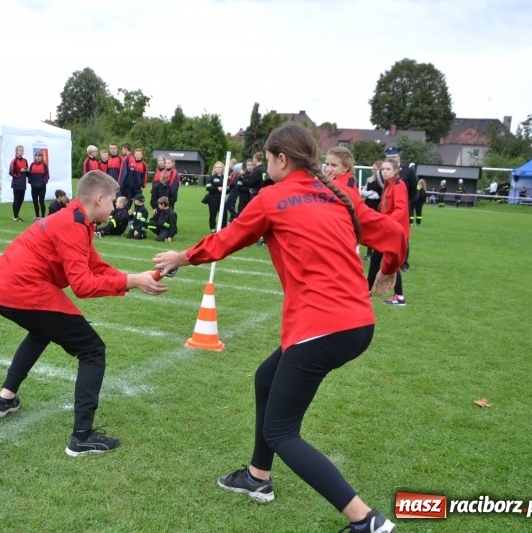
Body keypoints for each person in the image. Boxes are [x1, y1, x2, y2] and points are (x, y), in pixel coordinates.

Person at [152, 122, 406, 533]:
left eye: (268, 159)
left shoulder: (273, 198)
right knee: (266, 378)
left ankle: (367, 522)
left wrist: (182, 256)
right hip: (358, 324)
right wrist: (387, 272)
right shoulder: (339, 194)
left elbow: (227, 239)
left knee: (282, 431)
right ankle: (258, 477)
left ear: (281, 159)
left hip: (322, 327)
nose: (267, 165)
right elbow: (394, 233)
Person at [0, 170, 167, 456]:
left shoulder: (77, 219)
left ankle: (4, 399)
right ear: (99, 199)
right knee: (93, 349)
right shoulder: (72, 224)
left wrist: (134, 278)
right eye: (113, 201)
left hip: (6, 286)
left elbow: (93, 264)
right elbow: (82, 285)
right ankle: (82, 436)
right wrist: (131, 281)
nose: (116, 206)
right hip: (20, 289)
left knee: (41, 331)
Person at [366, 158, 410, 306]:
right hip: (389, 229)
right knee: (377, 260)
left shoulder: (398, 185)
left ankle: (398, 296)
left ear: (395, 171)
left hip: (393, 230)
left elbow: (400, 209)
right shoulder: (389, 185)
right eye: (383, 169)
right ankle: (368, 292)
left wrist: (385, 223)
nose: (384, 172)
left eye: (387, 169)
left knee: (388, 262)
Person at [360, 161, 383, 260]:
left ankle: (376, 252)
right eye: (372, 169)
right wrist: (370, 193)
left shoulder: (381, 182)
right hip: (368, 205)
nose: (373, 170)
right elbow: (363, 192)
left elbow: (379, 195)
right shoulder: (369, 180)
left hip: (376, 206)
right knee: (367, 230)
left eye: (375, 169)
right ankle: (369, 253)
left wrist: (373, 194)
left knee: (375, 230)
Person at [8, 145, 29, 222]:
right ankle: (15, 216)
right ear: (16, 151)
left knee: (21, 200)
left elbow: (26, 171)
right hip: (16, 183)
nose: (21, 152)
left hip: (23, 183)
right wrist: (20, 171)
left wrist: (27, 171)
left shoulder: (25, 160)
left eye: (22, 150)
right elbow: (11, 172)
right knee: (16, 200)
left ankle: (16, 215)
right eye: (20, 150)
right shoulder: (14, 161)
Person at [204, 161, 226, 233]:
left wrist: (226, 189)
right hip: (213, 199)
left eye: (220, 167)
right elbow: (208, 187)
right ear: (215, 168)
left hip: (222, 199)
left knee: (224, 215)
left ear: (222, 168)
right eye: (217, 167)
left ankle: (223, 229)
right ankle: (213, 229)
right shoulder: (212, 177)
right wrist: (217, 188)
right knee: (213, 214)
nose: (219, 168)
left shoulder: (225, 178)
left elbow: (228, 188)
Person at [28, 150, 49, 220]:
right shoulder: (32, 165)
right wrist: (31, 182)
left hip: (42, 187)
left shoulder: (44, 165)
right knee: (35, 201)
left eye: (39, 156)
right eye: (36, 156)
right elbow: (30, 175)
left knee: (41, 201)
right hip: (33, 187)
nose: (38, 157)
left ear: (42, 157)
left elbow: (47, 176)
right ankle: (37, 216)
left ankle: (43, 216)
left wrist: (42, 183)